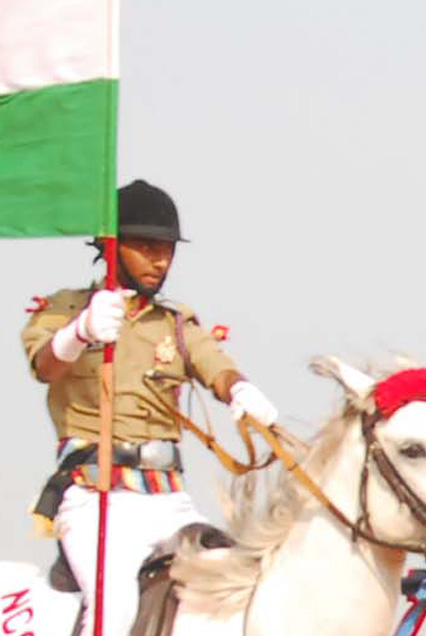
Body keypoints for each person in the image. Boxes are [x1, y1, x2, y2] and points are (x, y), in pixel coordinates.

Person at [20, 179, 279, 636]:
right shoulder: (65, 309)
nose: (160, 260)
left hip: (167, 499)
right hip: (95, 497)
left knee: (235, 584)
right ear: (112, 246)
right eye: (145, 247)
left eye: (166, 249)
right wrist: (79, 332)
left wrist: (239, 391)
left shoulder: (176, 325)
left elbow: (214, 365)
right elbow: (44, 367)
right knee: (114, 609)